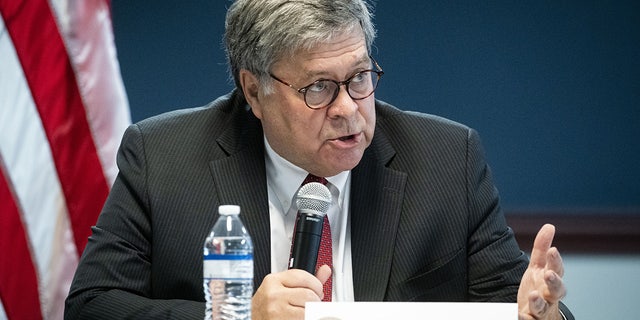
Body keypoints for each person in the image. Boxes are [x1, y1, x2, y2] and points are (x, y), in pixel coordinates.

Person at [65, 1, 573, 319]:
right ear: (254, 92)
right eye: (319, 88)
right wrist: (233, 317)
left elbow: (521, 303)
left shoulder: (447, 159)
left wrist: (545, 316)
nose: (349, 109)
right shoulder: (164, 159)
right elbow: (90, 306)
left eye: (358, 78)